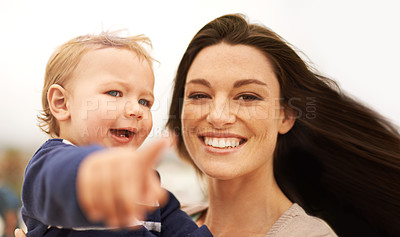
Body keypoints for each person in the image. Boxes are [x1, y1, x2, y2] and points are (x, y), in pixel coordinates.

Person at [166, 14, 400, 237]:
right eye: (199, 95)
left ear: (286, 116)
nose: (217, 116)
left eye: (247, 97)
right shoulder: (160, 221)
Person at [20, 32, 212, 237]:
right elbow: (58, 180)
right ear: (61, 103)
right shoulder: (47, 165)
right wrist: (93, 176)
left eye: (144, 101)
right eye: (114, 93)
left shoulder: (150, 188)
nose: (136, 110)